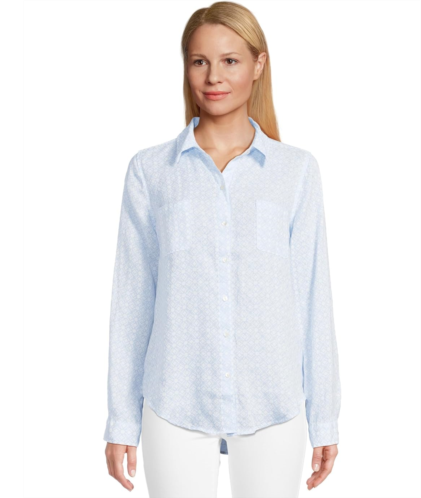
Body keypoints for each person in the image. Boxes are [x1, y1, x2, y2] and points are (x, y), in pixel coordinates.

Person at [103, 2, 341, 497]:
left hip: (271, 402)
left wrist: (325, 418)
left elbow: (312, 298)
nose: (214, 76)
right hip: (175, 399)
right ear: (186, 67)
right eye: (200, 61)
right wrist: (122, 420)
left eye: (230, 60)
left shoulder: (295, 172)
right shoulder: (151, 171)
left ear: (258, 65)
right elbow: (133, 303)